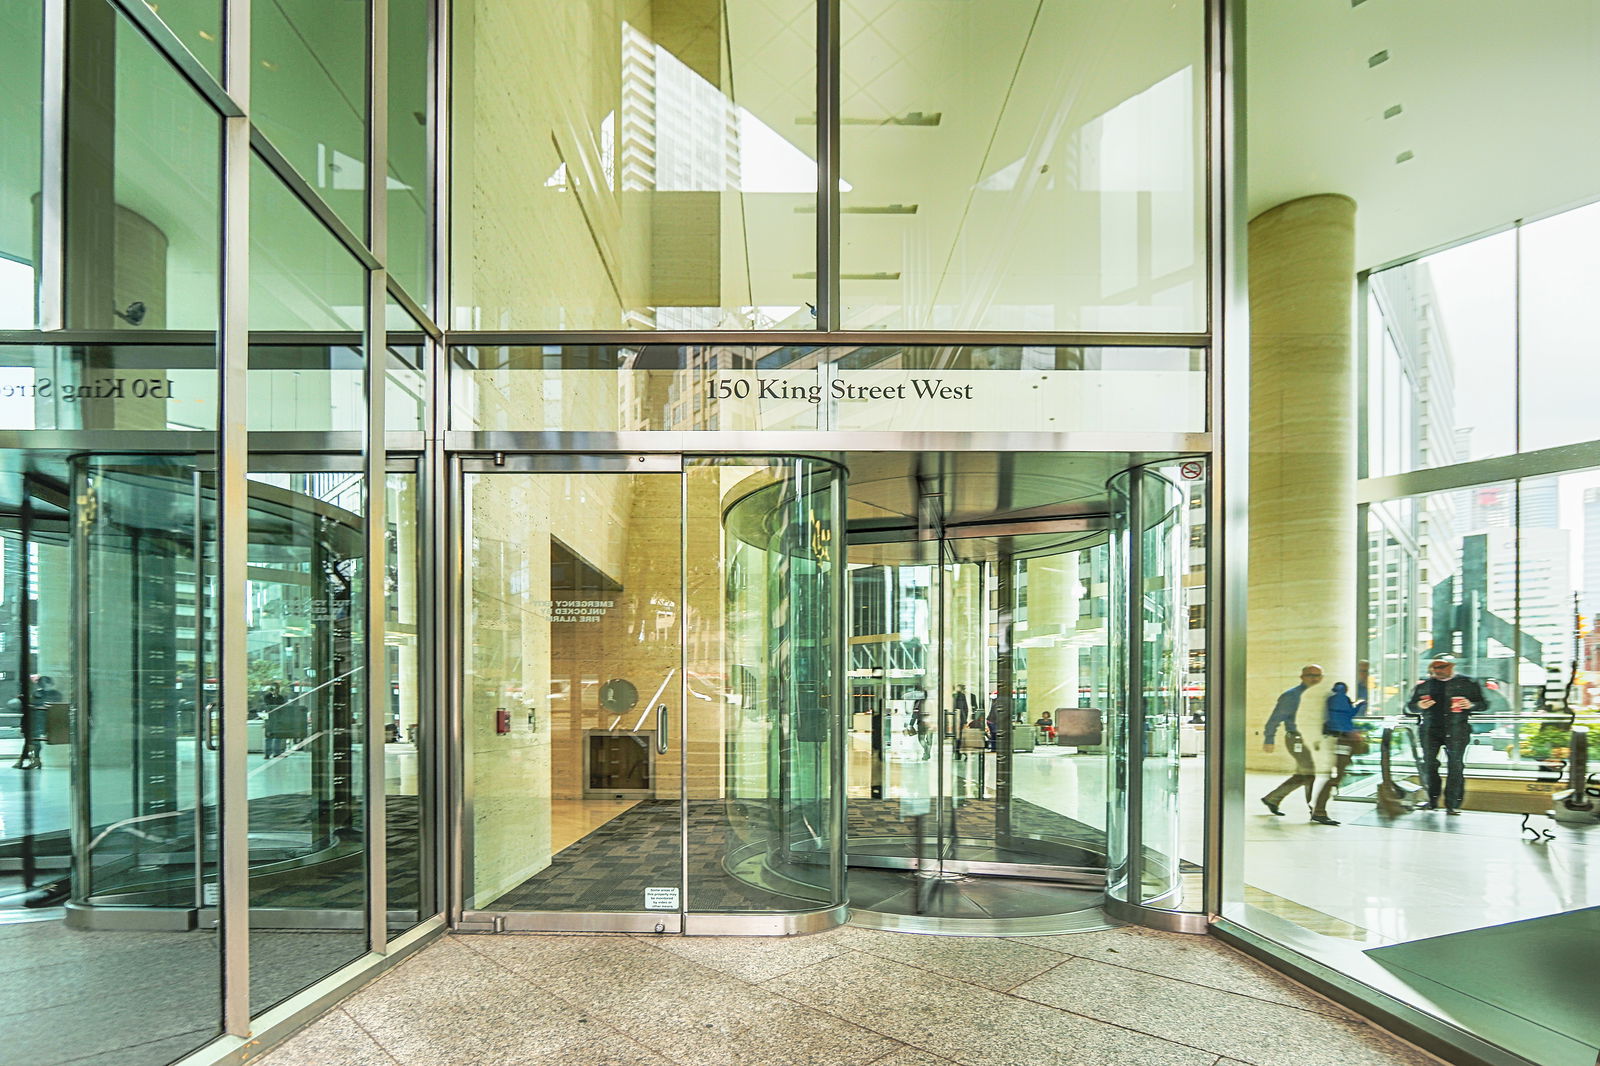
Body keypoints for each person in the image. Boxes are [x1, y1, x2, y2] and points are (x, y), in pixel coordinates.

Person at [1405, 655, 1486, 815]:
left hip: (1457, 730)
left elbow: (1483, 704)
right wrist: (1418, 706)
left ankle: (1453, 804)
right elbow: (1409, 708)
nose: (1438, 671)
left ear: (1451, 666)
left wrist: (1471, 705)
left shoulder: (1467, 683)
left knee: (1455, 766)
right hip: (1430, 731)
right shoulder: (1425, 685)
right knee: (1429, 765)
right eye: (1435, 667)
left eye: (1441, 667)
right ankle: (1432, 801)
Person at [1259, 664, 1326, 820]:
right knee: (1309, 773)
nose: (1315, 679)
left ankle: (1272, 798)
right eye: (1311, 675)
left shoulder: (1319, 695)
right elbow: (1275, 719)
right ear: (1302, 677)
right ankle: (1316, 810)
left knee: (1304, 774)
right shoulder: (1292, 696)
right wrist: (1269, 738)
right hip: (1297, 739)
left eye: (1318, 676)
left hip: (1312, 738)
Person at [1307, 681, 1368, 826]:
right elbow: (1345, 717)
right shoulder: (1341, 699)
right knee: (1335, 777)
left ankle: (1319, 810)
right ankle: (1319, 811)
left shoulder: (1331, 699)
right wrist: (1360, 705)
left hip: (1337, 739)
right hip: (1343, 740)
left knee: (1334, 777)